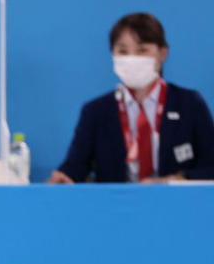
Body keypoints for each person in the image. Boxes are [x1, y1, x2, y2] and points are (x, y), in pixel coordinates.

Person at [48, 12, 214, 184]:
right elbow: (75, 167)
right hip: (116, 206)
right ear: (113, 55)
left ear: (162, 53)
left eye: (142, 51)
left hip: (177, 205)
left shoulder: (189, 104)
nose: (132, 59)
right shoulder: (96, 111)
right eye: (123, 51)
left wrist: (176, 180)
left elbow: (210, 166)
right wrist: (63, 179)